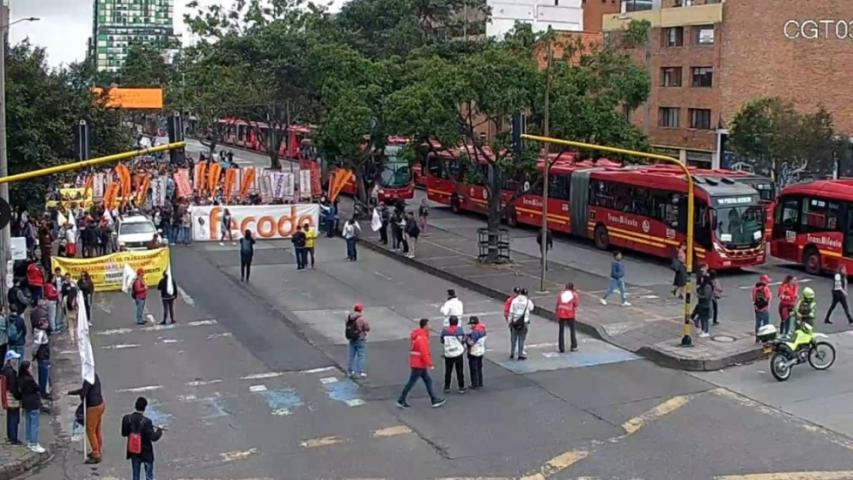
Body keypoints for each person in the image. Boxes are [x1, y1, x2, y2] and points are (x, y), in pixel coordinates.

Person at [396, 318, 445, 409]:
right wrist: (430, 364)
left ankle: (434, 399)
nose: (430, 326)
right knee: (413, 382)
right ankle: (401, 399)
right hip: (419, 364)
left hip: (416, 362)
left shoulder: (418, 335)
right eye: (429, 325)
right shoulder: (422, 338)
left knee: (427, 380)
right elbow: (424, 352)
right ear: (425, 326)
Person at [121, 396, 164, 480]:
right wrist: (159, 430)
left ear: (135, 406)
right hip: (146, 452)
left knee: (135, 476)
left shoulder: (127, 418)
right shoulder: (147, 421)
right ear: (145, 408)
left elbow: (124, 433)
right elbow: (153, 437)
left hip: (134, 451)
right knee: (149, 476)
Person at [68, 373, 105, 463]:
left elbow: (84, 393)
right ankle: (98, 448)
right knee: (97, 429)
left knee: (90, 430)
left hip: (93, 407)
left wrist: (76, 393)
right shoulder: (94, 375)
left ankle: (96, 454)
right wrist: (72, 392)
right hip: (100, 404)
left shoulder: (88, 379)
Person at [18, 361, 45, 453]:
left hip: (25, 403)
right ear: (27, 369)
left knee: (28, 422)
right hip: (33, 402)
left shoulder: (20, 378)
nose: (31, 368)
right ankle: (34, 443)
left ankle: (29, 441)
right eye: (30, 367)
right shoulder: (29, 379)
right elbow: (37, 388)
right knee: (34, 424)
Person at [440, 316, 466, 394]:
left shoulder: (444, 331)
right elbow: (463, 339)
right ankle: (461, 387)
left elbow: (442, 340)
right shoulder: (460, 330)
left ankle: (447, 387)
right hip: (458, 353)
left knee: (448, 371)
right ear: (457, 322)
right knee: (460, 371)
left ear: (449, 322)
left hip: (449, 353)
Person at [508, 288, 534, 360]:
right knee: (521, 339)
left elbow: (511, 312)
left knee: (513, 338)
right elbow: (532, 308)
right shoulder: (528, 301)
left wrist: (509, 322)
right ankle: (520, 354)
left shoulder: (514, 300)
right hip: (524, 322)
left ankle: (512, 353)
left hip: (515, 321)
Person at [2, 350, 21, 445]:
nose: (16, 361)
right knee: (14, 418)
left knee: (10, 417)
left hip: (7, 397)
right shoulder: (11, 372)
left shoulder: (5, 369)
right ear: (10, 360)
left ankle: (10, 436)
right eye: (14, 359)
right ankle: (14, 438)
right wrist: (19, 396)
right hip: (12, 398)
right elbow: (13, 387)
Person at [345, 304, 370, 378]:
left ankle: (349, 372)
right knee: (360, 356)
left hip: (352, 338)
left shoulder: (349, 318)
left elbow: (347, 325)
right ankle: (359, 372)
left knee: (351, 356)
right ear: (361, 310)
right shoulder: (362, 319)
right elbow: (367, 328)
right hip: (360, 338)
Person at [556, 283, 579, 353]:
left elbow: (557, 303)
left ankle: (561, 348)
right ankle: (574, 346)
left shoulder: (561, 294)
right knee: (572, 329)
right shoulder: (574, 294)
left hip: (561, 312)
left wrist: (557, 312)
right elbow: (576, 304)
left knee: (561, 331)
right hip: (570, 313)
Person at [32, 314, 51, 399]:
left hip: (43, 356)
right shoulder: (40, 334)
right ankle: (43, 392)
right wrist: (34, 354)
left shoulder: (39, 332)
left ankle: (43, 390)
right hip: (43, 356)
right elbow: (36, 346)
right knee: (43, 375)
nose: (47, 324)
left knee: (43, 374)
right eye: (45, 323)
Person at [466, 316, 486, 389]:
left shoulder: (475, 332)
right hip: (481, 351)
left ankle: (475, 384)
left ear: (473, 324)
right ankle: (480, 382)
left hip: (474, 352)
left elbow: (471, 343)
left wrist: (467, 339)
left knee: (473, 369)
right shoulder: (483, 330)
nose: (470, 326)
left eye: (471, 324)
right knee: (479, 367)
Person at [752, 274, 772, 342]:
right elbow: (768, 298)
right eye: (767, 281)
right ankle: (765, 338)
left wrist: (756, 306)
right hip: (765, 308)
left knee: (758, 323)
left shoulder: (755, 288)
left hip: (757, 308)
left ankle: (757, 337)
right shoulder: (765, 288)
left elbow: (753, 298)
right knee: (766, 323)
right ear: (764, 280)